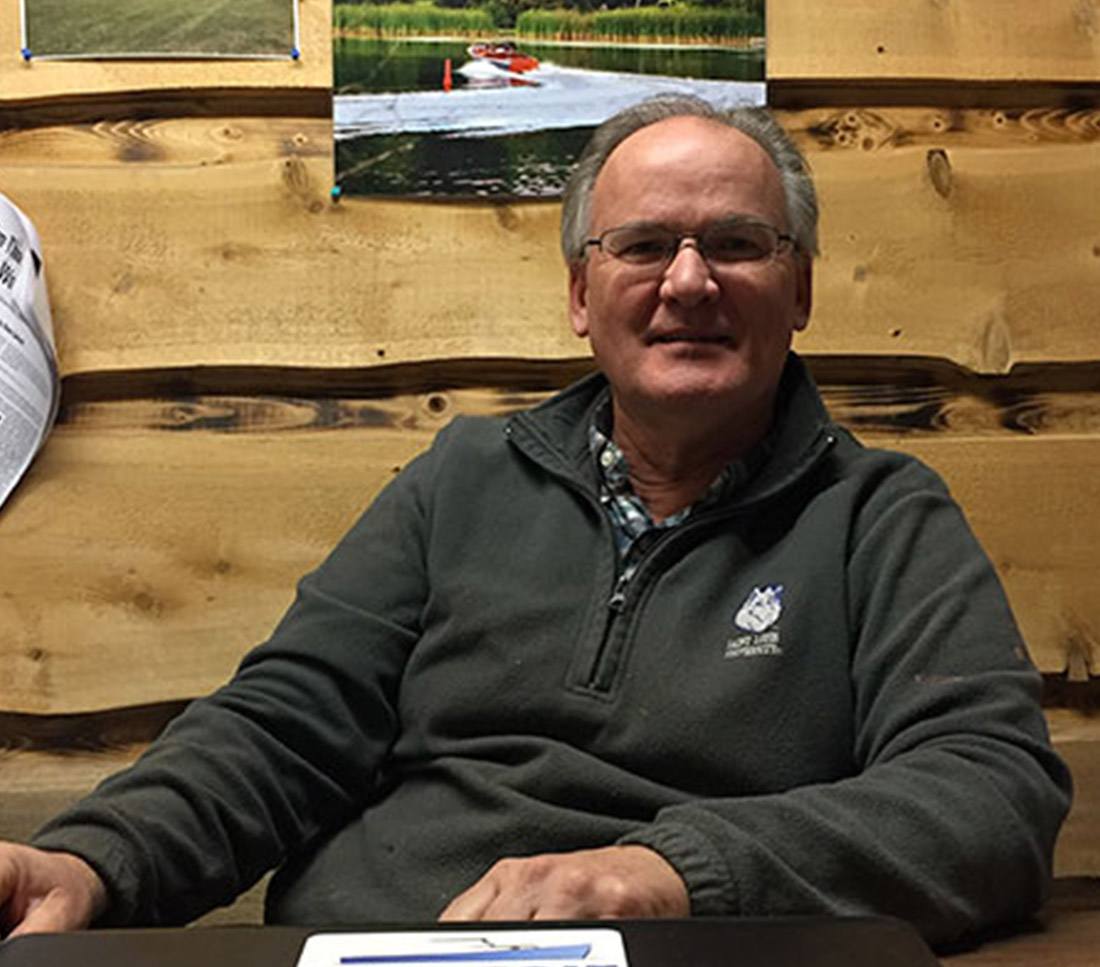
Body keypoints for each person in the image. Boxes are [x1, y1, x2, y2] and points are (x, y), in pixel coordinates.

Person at [0, 96, 1071, 947]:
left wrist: (669, 876)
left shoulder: (880, 516)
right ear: (579, 291)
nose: (688, 281)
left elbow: (985, 798)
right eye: (644, 244)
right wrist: (94, 861)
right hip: (389, 945)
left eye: (736, 243)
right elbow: (283, 729)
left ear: (797, 291)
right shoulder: (460, 478)